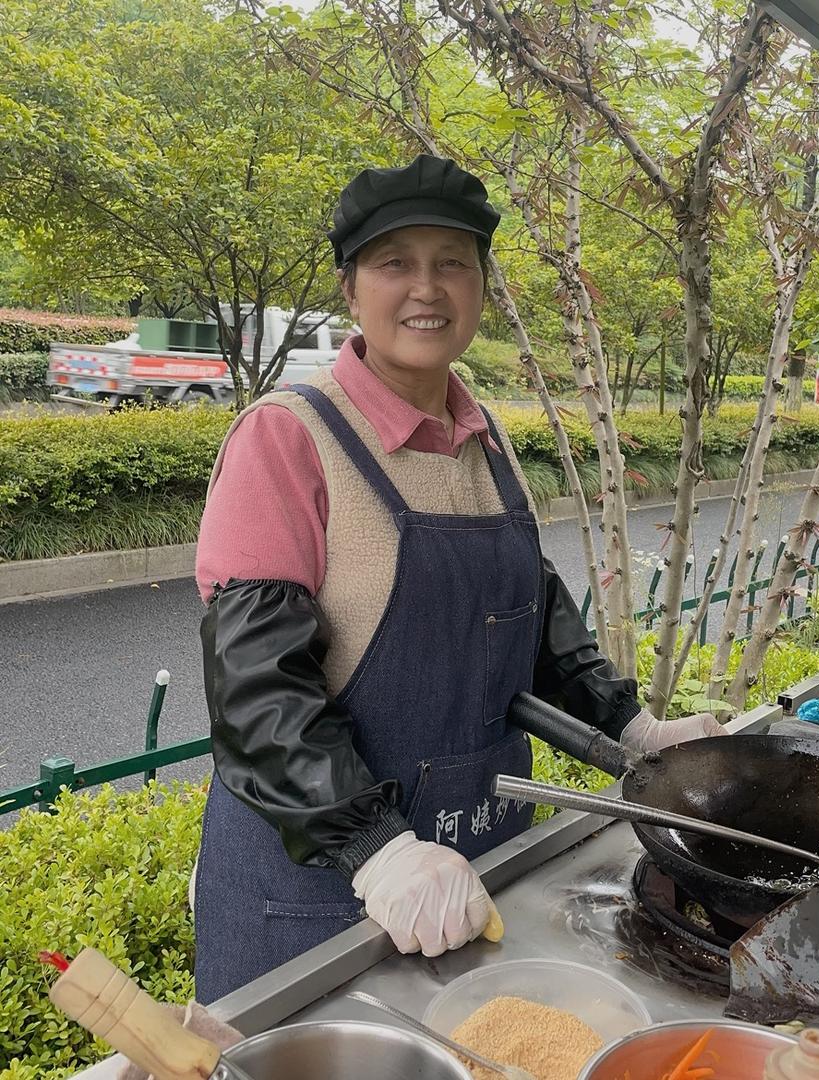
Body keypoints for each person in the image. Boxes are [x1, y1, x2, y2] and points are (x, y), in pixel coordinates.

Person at [192, 153, 724, 1003]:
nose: (426, 289)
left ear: (481, 285)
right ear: (350, 286)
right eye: (395, 262)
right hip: (323, 899)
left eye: (453, 263)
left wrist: (634, 731)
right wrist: (379, 848)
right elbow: (259, 694)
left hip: (479, 862)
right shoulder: (287, 440)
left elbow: (528, 618)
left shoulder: (485, 437)